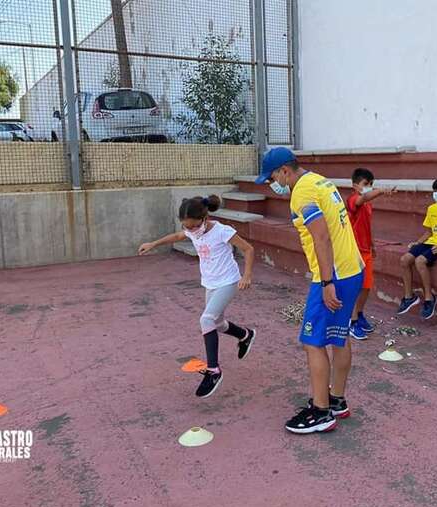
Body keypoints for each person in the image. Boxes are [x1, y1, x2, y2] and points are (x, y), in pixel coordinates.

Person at [256, 147, 363, 434]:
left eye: (272, 178)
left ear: (284, 171)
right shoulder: (320, 181)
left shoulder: (302, 192)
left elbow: (321, 237)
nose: (272, 184)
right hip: (352, 268)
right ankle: (336, 399)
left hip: (333, 275)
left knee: (313, 341)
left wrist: (327, 283)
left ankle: (320, 412)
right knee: (339, 336)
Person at [138, 195, 257, 398]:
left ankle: (214, 371)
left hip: (228, 281)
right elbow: (177, 237)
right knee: (217, 323)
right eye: (187, 227)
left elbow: (248, 249)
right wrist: (154, 243)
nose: (191, 230)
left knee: (206, 320)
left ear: (204, 218)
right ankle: (245, 335)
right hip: (210, 283)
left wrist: (246, 276)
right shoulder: (191, 230)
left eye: (194, 226)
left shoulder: (222, 231)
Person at [397, 176, 437, 320]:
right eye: (435, 191)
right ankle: (409, 297)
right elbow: (429, 232)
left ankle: (429, 298)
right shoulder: (431, 208)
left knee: (420, 261)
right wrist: (418, 242)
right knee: (405, 260)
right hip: (431, 242)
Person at [346, 167, 396, 340]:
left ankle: (359, 314)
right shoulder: (353, 200)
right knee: (355, 287)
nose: (369, 187)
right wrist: (380, 191)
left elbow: (367, 226)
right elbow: (363, 198)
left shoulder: (368, 205)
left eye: (371, 184)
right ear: (355, 186)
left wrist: (372, 244)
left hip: (366, 249)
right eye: (366, 184)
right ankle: (351, 321)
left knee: (366, 286)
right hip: (354, 251)